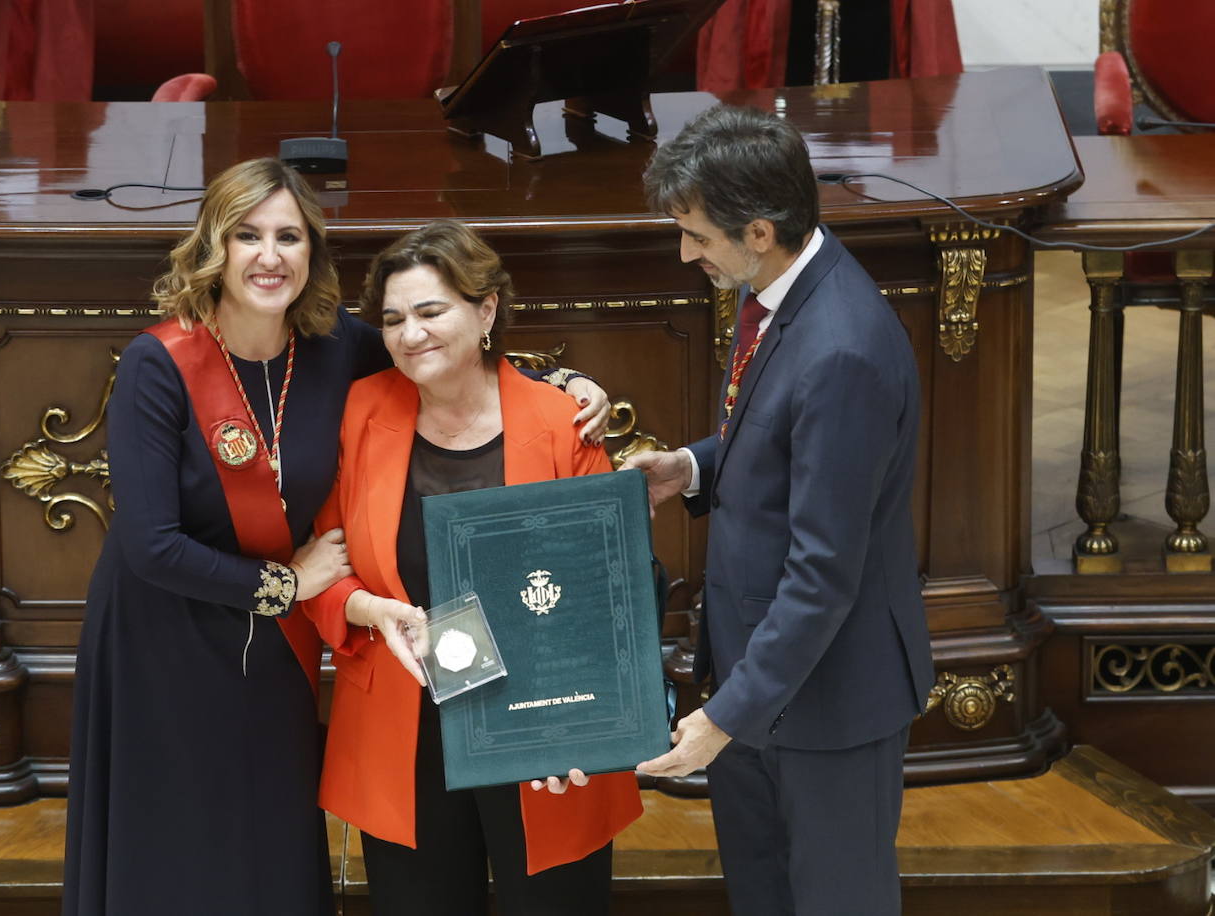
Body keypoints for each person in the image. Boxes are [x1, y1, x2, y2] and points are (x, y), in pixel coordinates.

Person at [62, 160, 610, 915]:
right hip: (170, 629)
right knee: (177, 833)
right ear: (213, 246)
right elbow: (151, 546)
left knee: (273, 832)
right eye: (247, 235)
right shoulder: (159, 365)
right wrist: (291, 585)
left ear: (313, 252)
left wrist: (571, 382)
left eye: (289, 235)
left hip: (276, 647)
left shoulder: (335, 345)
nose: (269, 255)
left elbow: (449, 350)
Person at [626, 105, 934, 915]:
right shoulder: (778, 291)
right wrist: (692, 467)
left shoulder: (843, 349)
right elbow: (779, 440)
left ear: (758, 229)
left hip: (827, 701)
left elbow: (823, 573)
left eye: (695, 233)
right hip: (765, 684)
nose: (685, 251)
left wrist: (723, 716)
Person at [288, 219, 642, 916]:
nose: (409, 333)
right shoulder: (359, 412)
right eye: (392, 318)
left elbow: (612, 591)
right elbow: (325, 567)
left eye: (430, 311)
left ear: (486, 311)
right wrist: (364, 607)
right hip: (404, 718)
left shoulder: (562, 418)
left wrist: (587, 723)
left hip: (544, 721)